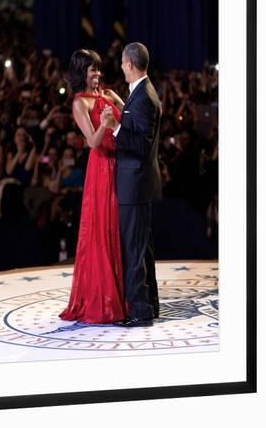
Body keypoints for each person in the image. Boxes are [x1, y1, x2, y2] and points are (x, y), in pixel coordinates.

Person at [59, 49, 126, 324]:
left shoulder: (108, 95)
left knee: (118, 228)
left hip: (120, 166)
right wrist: (107, 124)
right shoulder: (79, 103)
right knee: (101, 229)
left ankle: (124, 295)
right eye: (91, 70)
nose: (97, 74)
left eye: (98, 69)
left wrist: (117, 113)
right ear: (81, 73)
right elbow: (92, 142)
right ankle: (103, 299)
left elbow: (130, 115)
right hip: (100, 170)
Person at [101, 42, 162, 327]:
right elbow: (136, 125)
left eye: (123, 63)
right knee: (142, 248)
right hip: (138, 183)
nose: (122, 67)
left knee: (134, 249)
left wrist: (114, 126)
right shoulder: (141, 94)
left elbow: (140, 143)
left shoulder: (144, 97)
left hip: (134, 184)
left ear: (129, 64)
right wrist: (120, 107)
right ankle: (149, 305)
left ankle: (139, 312)